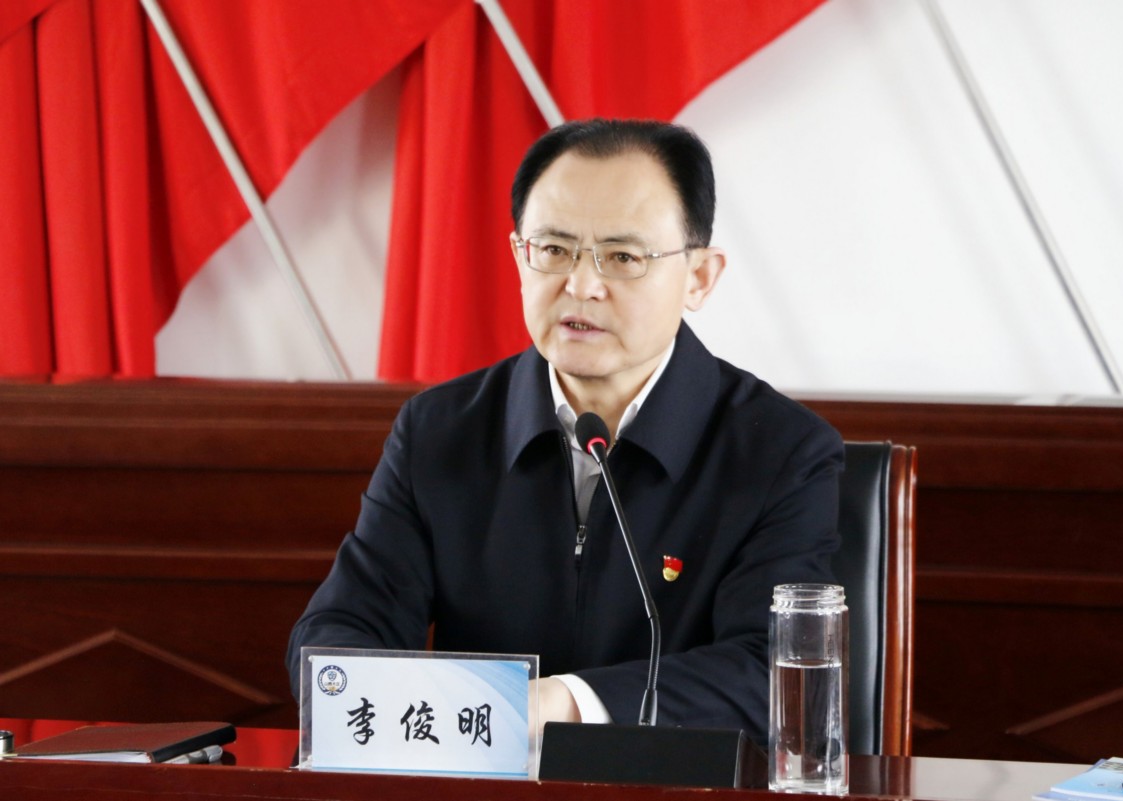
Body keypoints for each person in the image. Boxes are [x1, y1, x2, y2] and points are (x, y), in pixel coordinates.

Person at [286, 118, 843, 744]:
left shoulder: (782, 453)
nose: (580, 286)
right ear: (518, 257)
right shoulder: (439, 431)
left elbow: (771, 675)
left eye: (623, 257)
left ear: (699, 277)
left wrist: (561, 704)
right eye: (553, 250)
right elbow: (336, 639)